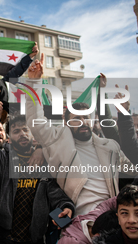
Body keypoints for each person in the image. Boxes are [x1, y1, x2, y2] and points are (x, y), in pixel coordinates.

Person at [25, 54, 132, 216]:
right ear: (66, 123)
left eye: (86, 117)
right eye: (76, 118)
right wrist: (34, 82)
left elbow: (135, 171)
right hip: (75, 217)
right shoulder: (56, 141)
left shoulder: (110, 146)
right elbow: (36, 120)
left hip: (112, 217)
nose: (82, 121)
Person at [0, 115, 74, 244]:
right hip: (5, 241)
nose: (22, 134)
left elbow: (54, 191)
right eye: (16, 131)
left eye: (26, 130)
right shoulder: (1, 158)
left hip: (34, 242)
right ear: (9, 136)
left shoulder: (44, 162)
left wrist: (66, 206)